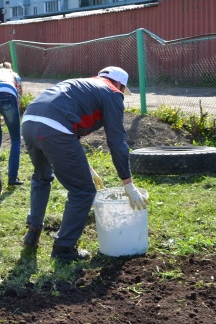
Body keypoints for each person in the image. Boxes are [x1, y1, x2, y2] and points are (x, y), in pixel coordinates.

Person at [20, 66, 150, 261]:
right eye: (123, 90)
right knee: (83, 192)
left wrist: (86, 167)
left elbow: (69, 124)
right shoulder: (112, 93)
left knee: (42, 177)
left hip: (29, 121)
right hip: (55, 129)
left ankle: (33, 232)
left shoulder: (80, 84)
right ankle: (63, 247)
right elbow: (116, 142)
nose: (122, 94)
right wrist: (128, 185)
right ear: (118, 84)